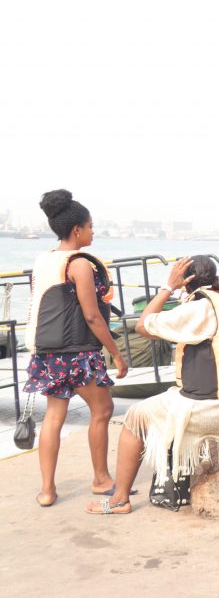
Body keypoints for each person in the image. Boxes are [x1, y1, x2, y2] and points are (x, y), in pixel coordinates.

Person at [85, 256, 219, 515]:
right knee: (169, 399)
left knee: (134, 418)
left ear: (186, 281)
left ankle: (120, 499)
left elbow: (144, 325)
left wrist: (169, 287)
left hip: (216, 408)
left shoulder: (198, 308)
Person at [23, 190, 128, 508]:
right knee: (103, 410)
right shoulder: (79, 264)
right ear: (77, 230)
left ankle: (47, 490)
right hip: (77, 353)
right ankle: (101, 479)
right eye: (91, 226)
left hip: (47, 354)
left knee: (54, 415)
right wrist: (116, 353)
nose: (93, 232)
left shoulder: (44, 260)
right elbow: (92, 316)